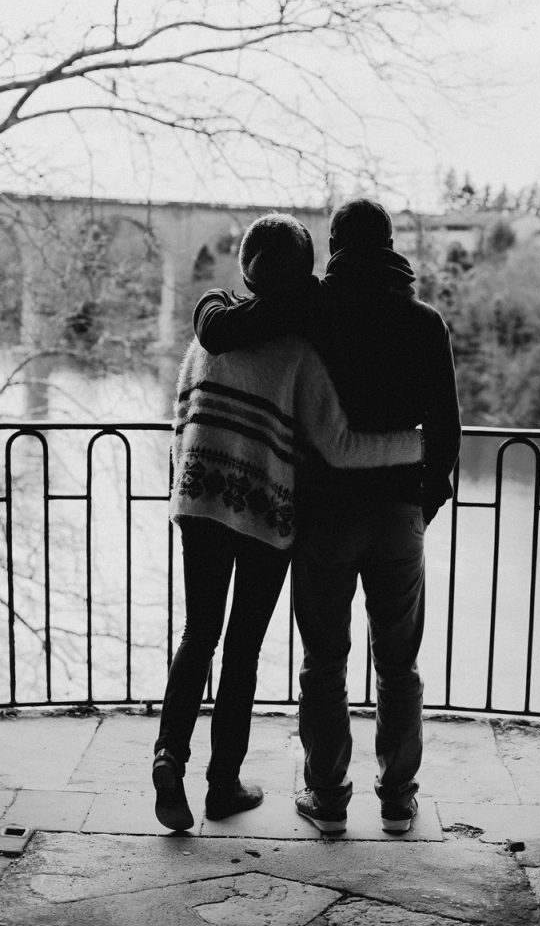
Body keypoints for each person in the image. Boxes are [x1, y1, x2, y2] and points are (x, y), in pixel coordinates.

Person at [195, 198, 461, 835]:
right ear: (392, 246)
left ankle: (328, 797)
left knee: (324, 662)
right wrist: (418, 507)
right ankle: (398, 798)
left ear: (335, 247)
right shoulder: (427, 323)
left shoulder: (314, 306)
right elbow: (446, 436)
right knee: (399, 664)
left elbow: (227, 331)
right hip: (398, 513)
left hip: (324, 514)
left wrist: (211, 304)